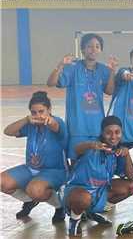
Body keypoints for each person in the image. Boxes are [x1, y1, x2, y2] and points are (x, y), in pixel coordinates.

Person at [47, 33, 118, 162]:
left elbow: (109, 91)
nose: (93, 49)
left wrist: (113, 71)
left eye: (97, 46)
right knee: (76, 164)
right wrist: (60, 66)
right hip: (77, 127)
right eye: (89, 46)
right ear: (83, 50)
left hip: (97, 127)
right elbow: (51, 83)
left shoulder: (104, 70)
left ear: (100, 49)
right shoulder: (73, 68)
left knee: (96, 163)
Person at [1, 91, 68, 223]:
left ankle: (60, 206)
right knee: (2, 182)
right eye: (34, 112)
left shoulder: (57, 122)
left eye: (41, 111)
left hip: (54, 171)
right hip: (30, 168)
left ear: (49, 110)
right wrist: (26, 119)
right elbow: (8, 131)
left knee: (34, 189)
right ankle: (30, 201)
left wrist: (50, 121)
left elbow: (56, 126)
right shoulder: (31, 125)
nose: (38, 115)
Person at [64, 116, 133, 237]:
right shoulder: (93, 145)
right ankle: (75, 219)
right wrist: (91, 145)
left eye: (117, 132)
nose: (113, 137)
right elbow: (77, 149)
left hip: (100, 191)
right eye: (109, 132)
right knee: (83, 198)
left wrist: (127, 154)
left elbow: (131, 175)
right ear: (102, 133)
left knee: (130, 187)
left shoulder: (117, 151)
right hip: (77, 192)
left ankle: (91, 212)